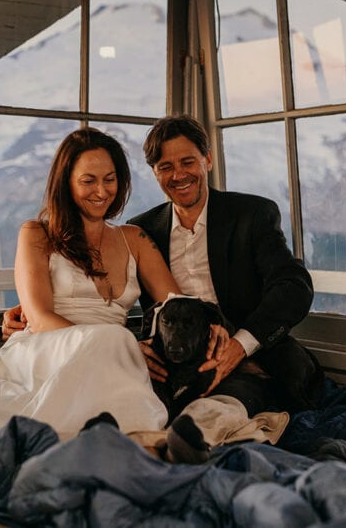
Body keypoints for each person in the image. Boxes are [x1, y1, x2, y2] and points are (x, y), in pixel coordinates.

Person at [0, 127, 208, 439]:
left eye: (110, 179)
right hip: (44, 347)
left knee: (115, 346)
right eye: (88, 181)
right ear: (66, 183)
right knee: (113, 339)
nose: (101, 191)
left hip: (112, 355)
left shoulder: (133, 238)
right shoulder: (37, 234)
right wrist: (120, 349)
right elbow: (38, 317)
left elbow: (177, 306)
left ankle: (106, 440)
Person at [129, 115, 323, 417]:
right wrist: (131, 345)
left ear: (207, 160)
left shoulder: (252, 214)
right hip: (174, 361)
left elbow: (293, 286)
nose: (179, 175)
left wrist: (240, 345)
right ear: (154, 172)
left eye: (187, 162)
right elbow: (114, 301)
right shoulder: (141, 230)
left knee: (223, 407)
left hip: (250, 358)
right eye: (166, 167)